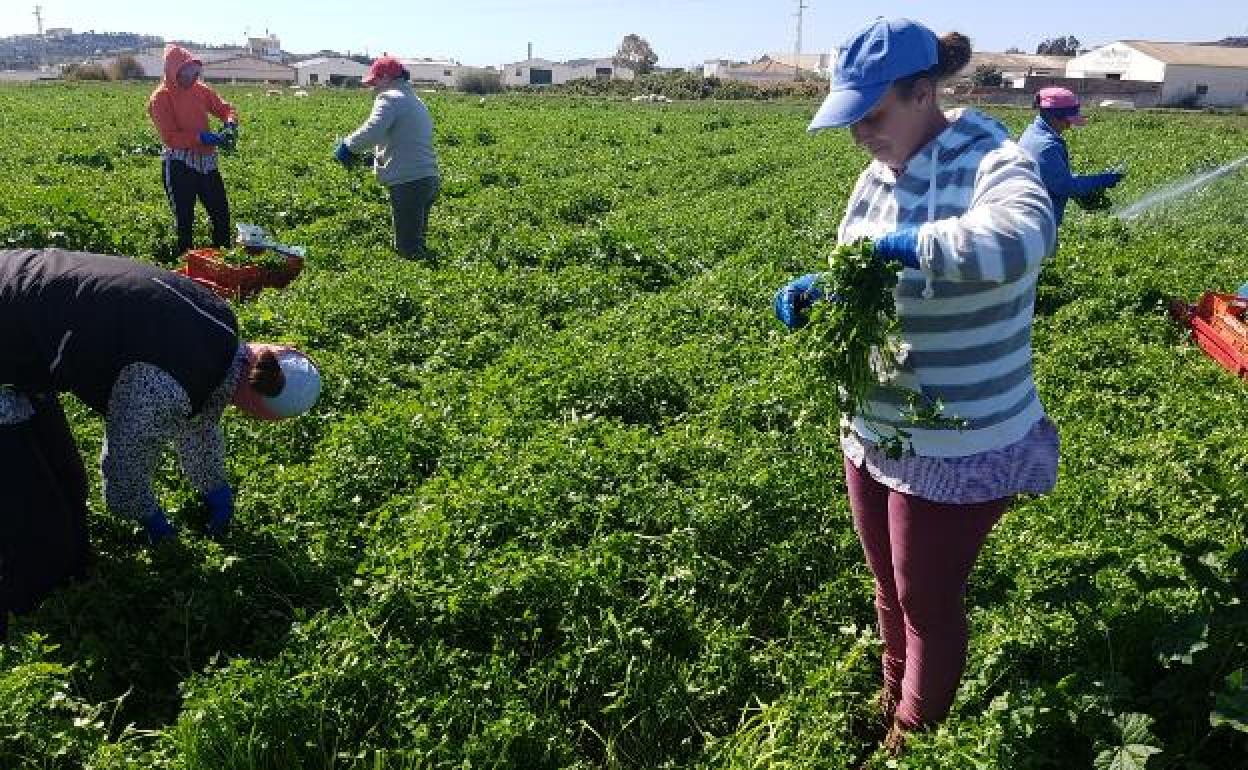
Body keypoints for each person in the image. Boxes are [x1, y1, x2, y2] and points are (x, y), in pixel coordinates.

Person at [773, 18, 1059, 754]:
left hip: (958, 432)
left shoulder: (992, 159)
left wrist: (914, 246)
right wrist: (824, 289)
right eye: (851, 120)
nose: (861, 135)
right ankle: (893, 687)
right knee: (888, 586)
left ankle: (913, 734)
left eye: (873, 115)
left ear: (924, 93)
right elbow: (862, 266)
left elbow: (1025, 235)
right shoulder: (876, 174)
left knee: (926, 598)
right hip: (874, 424)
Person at [0, 248, 322, 632]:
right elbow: (124, 463)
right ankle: (26, 617)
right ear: (260, 412)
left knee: (69, 482)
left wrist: (213, 486)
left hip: (23, 315)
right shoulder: (165, 384)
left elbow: (200, 419)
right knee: (42, 536)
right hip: (12, 324)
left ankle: (65, 568)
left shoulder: (221, 331)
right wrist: (149, 518)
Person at [334, 55, 441, 258]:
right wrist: (372, 160)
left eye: (375, 81)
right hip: (427, 179)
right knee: (416, 241)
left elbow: (372, 130)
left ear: (386, 78)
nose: (373, 87)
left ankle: (417, 282)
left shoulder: (390, 98)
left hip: (409, 183)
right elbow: (402, 140)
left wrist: (347, 147)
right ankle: (427, 268)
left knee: (407, 249)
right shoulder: (414, 100)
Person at [148, 44, 239, 255]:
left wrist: (230, 122)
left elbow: (224, 108)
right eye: (186, 74)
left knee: (221, 215)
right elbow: (170, 138)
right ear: (173, 72)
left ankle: (221, 260)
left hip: (206, 162)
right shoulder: (161, 98)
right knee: (184, 220)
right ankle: (186, 267)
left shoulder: (199, 89)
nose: (191, 79)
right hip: (179, 162)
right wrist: (201, 137)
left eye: (194, 73)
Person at [1018, 87, 1124, 225]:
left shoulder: (1032, 133)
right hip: (1036, 225)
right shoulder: (1045, 146)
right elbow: (1065, 187)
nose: (1069, 125)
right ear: (1053, 115)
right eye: (1067, 120)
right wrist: (1101, 181)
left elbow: (1054, 179)